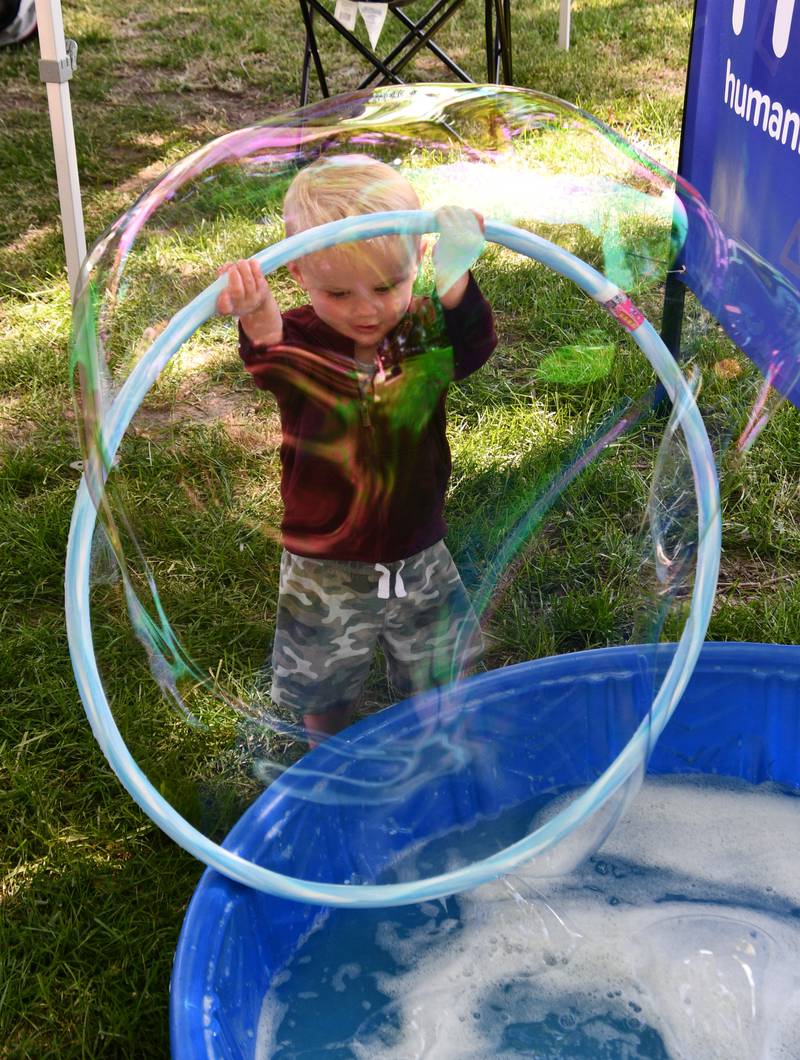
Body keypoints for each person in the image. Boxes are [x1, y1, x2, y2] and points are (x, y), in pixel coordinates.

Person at [216, 155, 497, 744]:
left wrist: (455, 282)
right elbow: (272, 359)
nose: (366, 309)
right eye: (338, 292)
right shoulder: (299, 340)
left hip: (417, 541)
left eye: (388, 285)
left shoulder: (422, 330)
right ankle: (327, 748)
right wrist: (259, 314)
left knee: (438, 670)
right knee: (322, 678)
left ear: (418, 259)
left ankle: (438, 745)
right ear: (297, 273)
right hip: (325, 555)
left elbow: (471, 347)